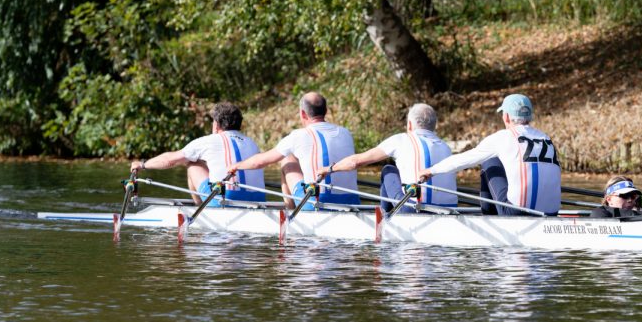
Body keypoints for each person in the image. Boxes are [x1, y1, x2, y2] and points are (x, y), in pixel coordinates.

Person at [417, 93, 561, 216]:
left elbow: (464, 160)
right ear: (530, 116)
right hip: (552, 213)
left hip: (517, 213)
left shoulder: (504, 137)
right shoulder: (545, 138)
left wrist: (430, 171)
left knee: (490, 161)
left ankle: (488, 217)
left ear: (506, 117)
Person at [316, 103, 457, 212]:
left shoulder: (401, 140)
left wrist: (329, 169)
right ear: (434, 126)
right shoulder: (446, 147)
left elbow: (355, 162)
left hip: (413, 209)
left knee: (388, 169)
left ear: (409, 125)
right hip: (450, 209)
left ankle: (384, 218)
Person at [229, 91, 359, 207]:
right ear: (326, 111)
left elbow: (260, 162)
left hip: (315, 202)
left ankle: (290, 210)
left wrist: (237, 166)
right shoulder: (345, 133)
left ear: (302, 113)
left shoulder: (299, 135)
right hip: (352, 201)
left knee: (287, 158)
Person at [129, 102, 266, 205]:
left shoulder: (208, 141)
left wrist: (142, 164)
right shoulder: (252, 143)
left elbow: (170, 160)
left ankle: (200, 209)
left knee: (192, 163)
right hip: (258, 200)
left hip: (224, 199)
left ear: (216, 124)